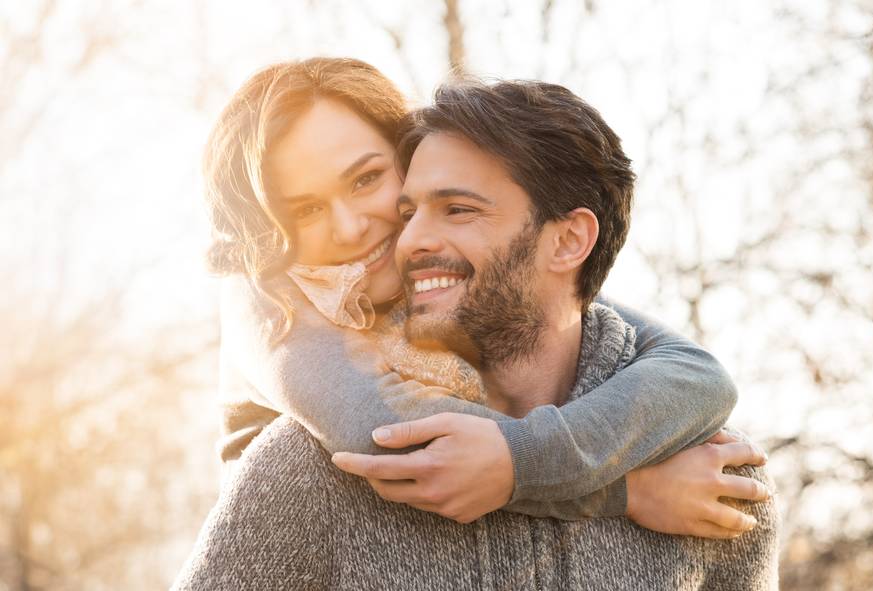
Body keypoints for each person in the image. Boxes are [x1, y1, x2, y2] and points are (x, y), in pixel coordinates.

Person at [173, 75, 778, 590]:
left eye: (368, 181)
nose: (359, 227)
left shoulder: (717, 478)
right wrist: (627, 493)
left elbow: (691, 368)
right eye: (303, 208)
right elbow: (390, 438)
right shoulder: (276, 326)